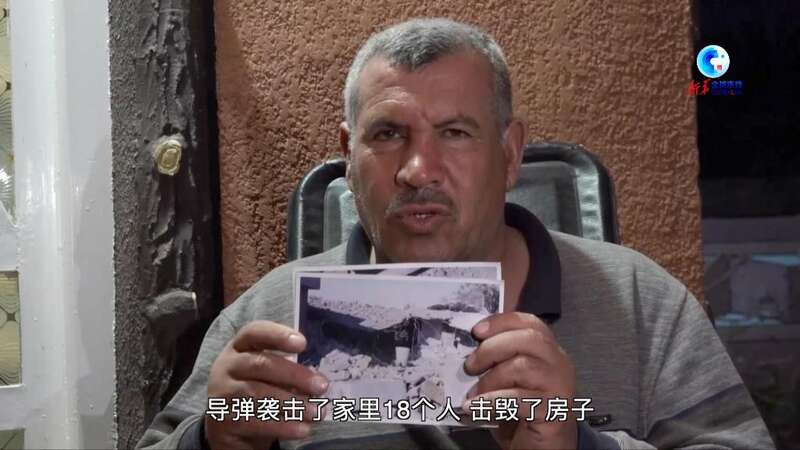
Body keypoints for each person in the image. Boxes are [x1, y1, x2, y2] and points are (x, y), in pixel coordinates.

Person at [137, 18, 774, 450]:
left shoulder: (641, 303)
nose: (418, 170)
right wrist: (210, 440)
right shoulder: (268, 315)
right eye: (388, 135)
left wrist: (580, 443)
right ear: (348, 156)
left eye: (455, 132)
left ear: (511, 153)